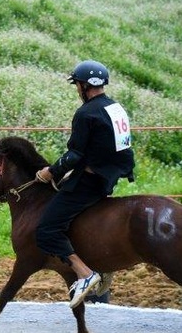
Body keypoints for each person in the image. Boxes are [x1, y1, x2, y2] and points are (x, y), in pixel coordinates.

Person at [34, 60, 135, 308]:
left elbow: (74, 155)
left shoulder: (85, 113)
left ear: (83, 85)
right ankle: (101, 262)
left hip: (90, 181)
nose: (77, 89)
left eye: (77, 85)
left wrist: (50, 172)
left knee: (46, 230)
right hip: (109, 179)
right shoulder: (115, 107)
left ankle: (85, 272)